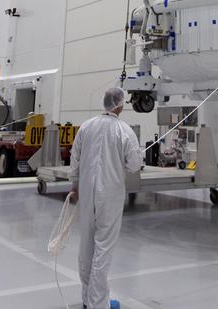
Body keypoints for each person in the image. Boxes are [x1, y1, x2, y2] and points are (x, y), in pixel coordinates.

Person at [68, 87, 141, 309]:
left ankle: (87, 297)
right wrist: (141, 155)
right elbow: (134, 165)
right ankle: (98, 303)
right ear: (119, 105)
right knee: (103, 247)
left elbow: (75, 158)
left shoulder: (86, 127)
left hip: (87, 192)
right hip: (110, 195)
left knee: (86, 245)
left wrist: (75, 184)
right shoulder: (124, 130)